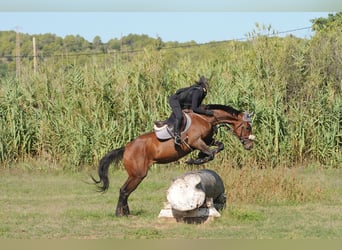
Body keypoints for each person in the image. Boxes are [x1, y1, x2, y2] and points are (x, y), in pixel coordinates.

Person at [168, 76, 214, 145]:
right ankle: (176, 135)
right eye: (208, 85)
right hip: (174, 100)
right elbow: (195, 108)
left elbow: (197, 107)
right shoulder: (198, 91)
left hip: (183, 104)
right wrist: (207, 112)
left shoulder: (202, 92)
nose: (209, 87)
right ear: (205, 85)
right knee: (179, 116)